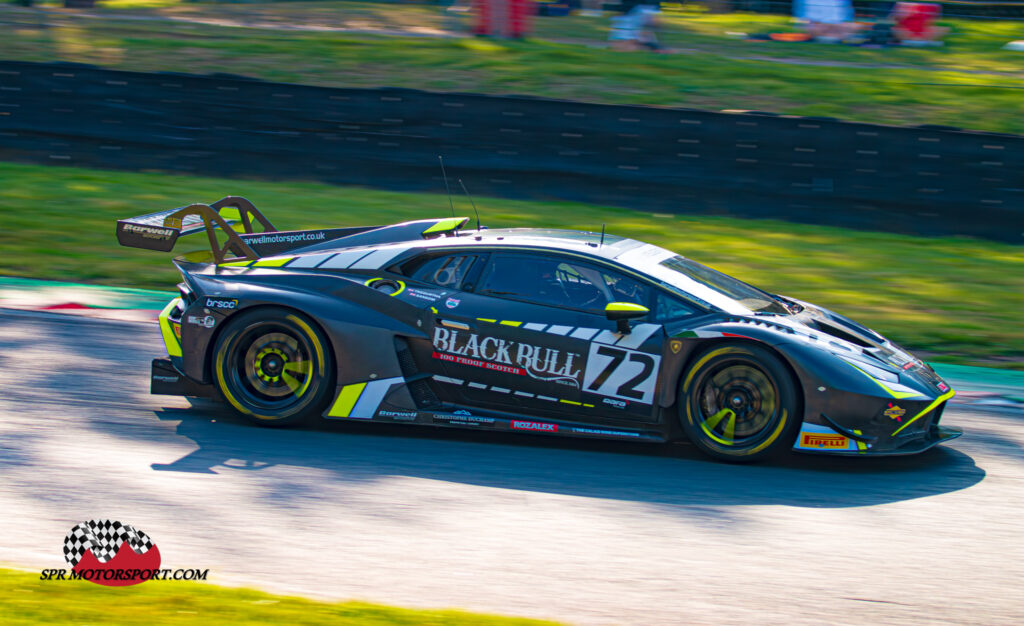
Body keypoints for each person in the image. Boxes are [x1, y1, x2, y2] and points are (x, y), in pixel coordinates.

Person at [793, 0, 866, 43]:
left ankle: (832, 35)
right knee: (817, 29)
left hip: (835, 25)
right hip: (818, 25)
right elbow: (805, 20)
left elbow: (845, 19)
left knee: (852, 27)